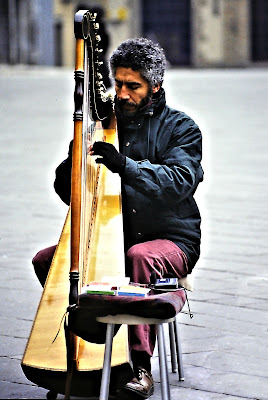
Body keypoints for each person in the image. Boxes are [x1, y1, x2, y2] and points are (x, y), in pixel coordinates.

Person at [33, 38, 203, 399]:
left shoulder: (181, 128)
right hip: (115, 237)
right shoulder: (102, 124)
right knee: (47, 260)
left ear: (155, 85)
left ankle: (138, 367)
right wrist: (73, 163)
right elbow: (73, 198)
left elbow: (178, 183)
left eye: (133, 86)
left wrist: (124, 165)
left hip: (170, 238)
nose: (122, 94)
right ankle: (90, 348)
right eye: (118, 84)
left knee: (138, 258)